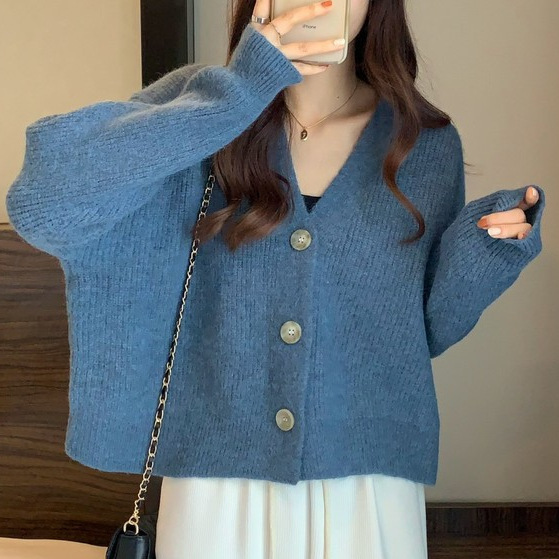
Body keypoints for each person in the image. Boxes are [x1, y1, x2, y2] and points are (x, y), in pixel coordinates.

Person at [5, 0, 545, 558]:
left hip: (365, 486)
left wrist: (483, 256)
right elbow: (42, 206)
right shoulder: (201, 106)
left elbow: (419, 331)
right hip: (215, 485)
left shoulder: (424, 143)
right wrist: (241, 91)